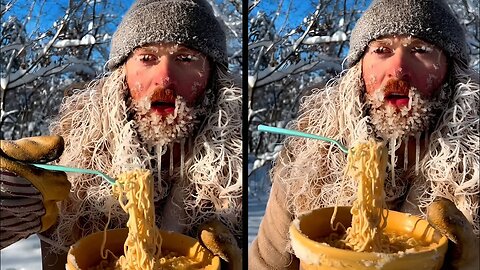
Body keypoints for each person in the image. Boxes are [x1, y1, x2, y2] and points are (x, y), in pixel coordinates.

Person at [0, 0, 242, 269]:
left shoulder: (239, 176)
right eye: (147, 58)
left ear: (212, 77)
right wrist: (6, 200)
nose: (164, 79)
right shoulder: (70, 163)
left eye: (186, 59)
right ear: (122, 74)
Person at [249, 0, 479, 269]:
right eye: (382, 50)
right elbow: (267, 261)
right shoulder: (306, 156)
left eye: (420, 50)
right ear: (357, 71)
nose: (398, 68)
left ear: (452, 73)